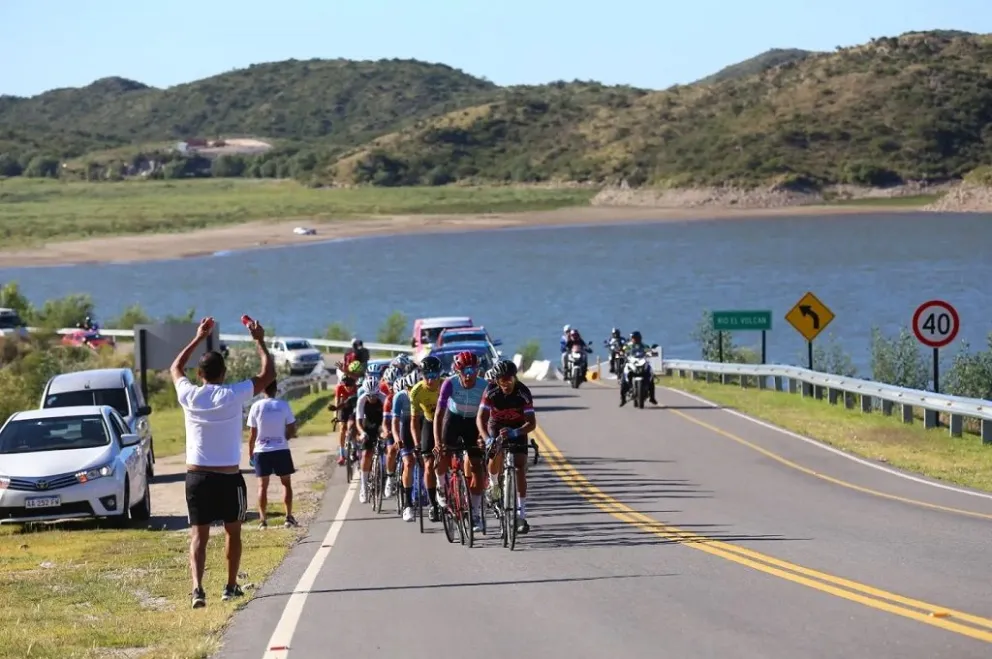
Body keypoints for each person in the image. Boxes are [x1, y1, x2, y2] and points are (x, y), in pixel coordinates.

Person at [170, 316, 274, 609]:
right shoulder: (231, 394)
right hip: (228, 478)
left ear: (200, 373)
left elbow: (175, 368)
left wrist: (198, 337)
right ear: (224, 372)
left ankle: (197, 589)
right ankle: (230, 586)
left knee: (198, 536)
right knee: (233, 532)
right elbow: (267, 376)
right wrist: (259, 340)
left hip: (196, 477)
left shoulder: (189, 394)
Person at [478, 359, 536, 534]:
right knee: (495, 453)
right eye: (503, 381)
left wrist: (516, 433)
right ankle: (494, 483)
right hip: (495, 426)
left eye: (510, 380)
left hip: (518, 428)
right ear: (496, 380)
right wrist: (487, 438)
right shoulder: (490, 391)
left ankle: (521, 514)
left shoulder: (523, 392)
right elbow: (480, 418)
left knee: (519, 466)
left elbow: (532, 424)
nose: (507, 384)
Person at [433, 351, 488, 533]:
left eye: (472, 370)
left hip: (474, 422)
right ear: (458, 371)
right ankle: (441, 486)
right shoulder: (449, 383)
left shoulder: (484, 386)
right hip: (453, 419)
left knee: (477, 467)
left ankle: (474, 513)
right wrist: (437, 441)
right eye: (464, 370)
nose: (469, 375)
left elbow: (489, 415)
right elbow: (439, 415)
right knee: (442, 454)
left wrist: (483, 436)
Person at [246, 380, 298, 529]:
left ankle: (263, 520)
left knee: (262, 486)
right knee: (286, 484)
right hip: (281, 449)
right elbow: (292, 427)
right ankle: (288, 517)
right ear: (276, 389)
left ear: (263, 390)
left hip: (261, 451)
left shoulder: (256, 406)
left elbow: (252, 433)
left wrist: (251, 452)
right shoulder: (283, 405)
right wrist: (285, 437)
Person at [408, 355, 443, 522]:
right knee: (428, 465)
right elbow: (414, 421)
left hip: (447, 423)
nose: (430, 380)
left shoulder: (446, 386)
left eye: (434, 376)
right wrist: (416, 443)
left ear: (439, 375)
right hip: (429, 422)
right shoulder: (416, 392)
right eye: (426, 376)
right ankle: (433, 505)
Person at [390, 371, 419, 522]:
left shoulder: (424, 392)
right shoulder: (399, 397)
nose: (411, 391)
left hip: (421, 425)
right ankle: (408, 505)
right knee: (408, 463)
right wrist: (396, 438)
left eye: (414, 387)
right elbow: (394, 422)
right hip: (405, 427)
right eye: (409, 388)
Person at [355, 373, 387, 503]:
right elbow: (359, 421)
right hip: (367, 426)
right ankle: (364, 487)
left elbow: (388, 418)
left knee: (387, 449)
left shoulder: (383, 399)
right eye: (369, 395)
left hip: (381, 424)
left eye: (375, 395)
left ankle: (385, 474)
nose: (372, 398)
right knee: (366, 454)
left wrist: (384, 431)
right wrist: (362, 432)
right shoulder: (361, 400)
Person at [619, 330, 658, 407]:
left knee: (651, 376)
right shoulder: (628, 345)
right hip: (632, 362)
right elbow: (623, 350)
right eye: (633, 338)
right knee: (623, 379)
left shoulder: (644, 346)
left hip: (642, 361)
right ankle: (623, 399)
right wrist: (621, 352)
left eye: (636, 338)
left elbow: (649, 350)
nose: (634, 339)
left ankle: (652, 397)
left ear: (639, 338)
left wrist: (652, 353)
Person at [333, 363, 361, 466]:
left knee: (355, 428)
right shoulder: (339, 387)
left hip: (354, 407)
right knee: (342, 429)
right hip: (344, 407)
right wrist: (336, 416)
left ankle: (355, 447)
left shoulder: (357, 388)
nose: (348, 387)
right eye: (346, 385)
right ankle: (342, 455)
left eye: (350, 385)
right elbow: (337, 402)